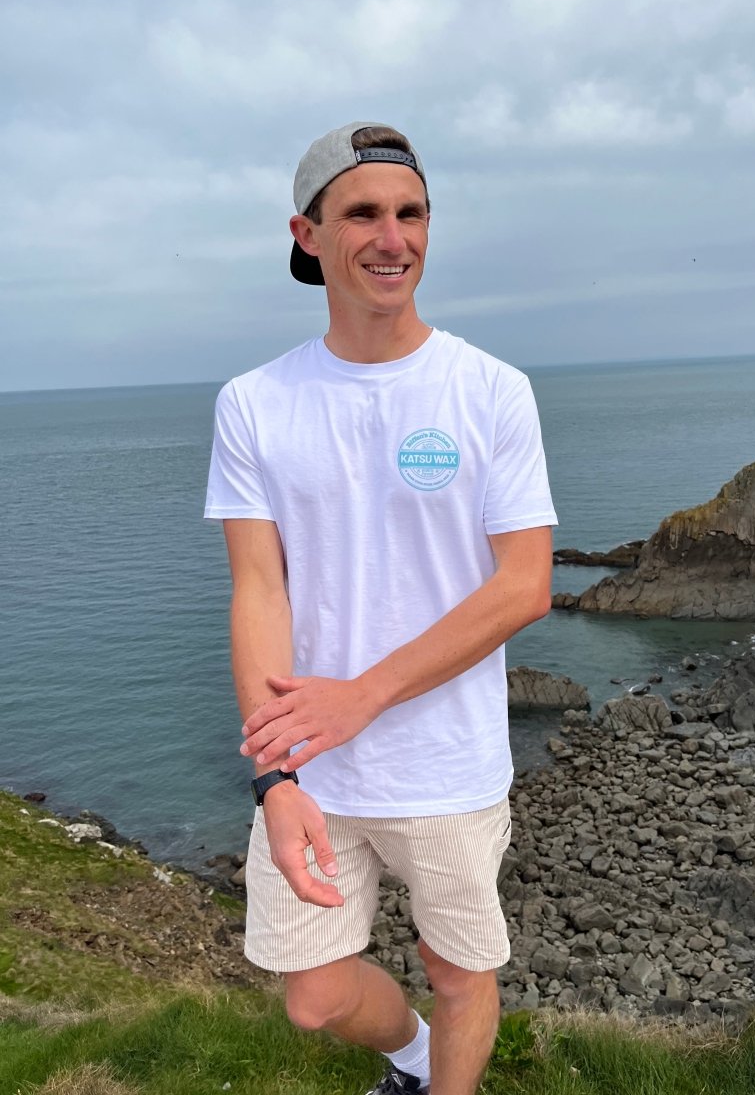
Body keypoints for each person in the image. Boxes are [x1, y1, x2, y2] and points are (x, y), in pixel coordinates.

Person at [204, 121, 557, 1095]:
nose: (391, 238)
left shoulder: (491, 391)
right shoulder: (254, 403)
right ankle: (408, 1061)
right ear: (307, 234)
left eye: (410, 213)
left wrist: (361, 696)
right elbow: (258, 586)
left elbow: (527, 583)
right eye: (362, 213)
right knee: (314, 994)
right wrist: (277, 777)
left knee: (458, 972)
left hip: (448, 762)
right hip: (316, 771)